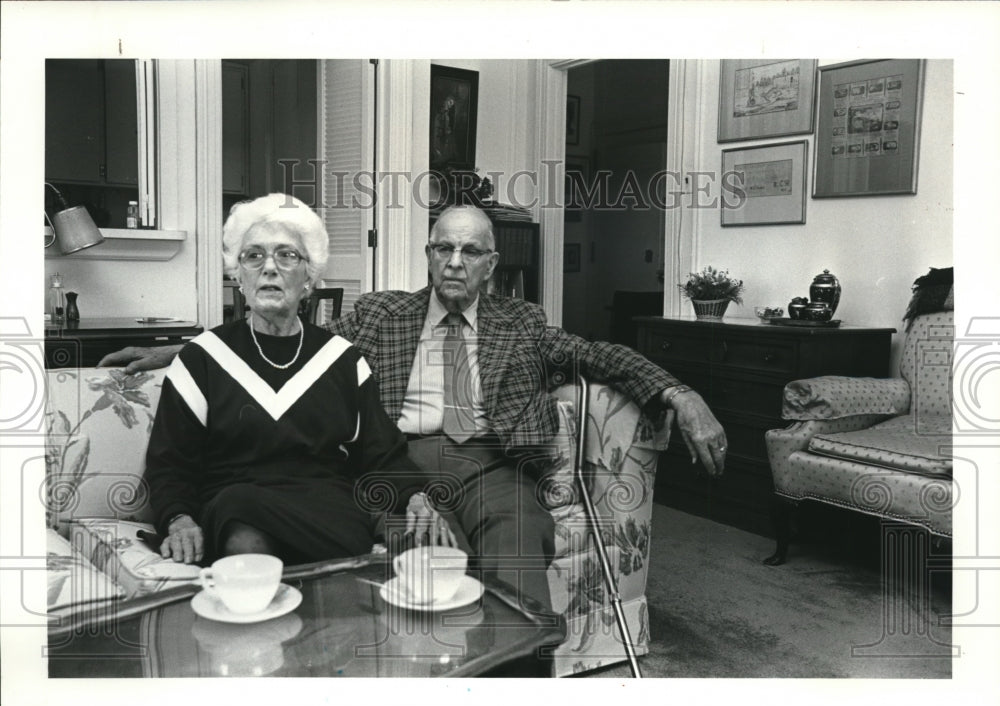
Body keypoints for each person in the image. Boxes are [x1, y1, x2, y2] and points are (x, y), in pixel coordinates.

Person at [103, 205, 728, 609]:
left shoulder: (523, 322)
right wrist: (176, 351)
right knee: (421, 553)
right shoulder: (381, 314)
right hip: (394, 461)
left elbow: (597, 355)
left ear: (491, 264)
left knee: (517, 539)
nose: (454, 262)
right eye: (442, 249)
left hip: (489, 461)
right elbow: (282, 335)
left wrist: (678, 391)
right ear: (428, 255)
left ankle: (518, 681)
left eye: (470, 252)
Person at [144, 194, 454, 566]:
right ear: (238, 275)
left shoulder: (342, 360)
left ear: (309, 277)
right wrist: (178, 518)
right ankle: (348, 571)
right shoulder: (201, 359)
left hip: (326, 506)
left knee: (436, 546)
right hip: (235, 507)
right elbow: (170, 464)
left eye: (286, 255)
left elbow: (382, 453)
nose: (269, 268)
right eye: (254, 256)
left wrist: (416, 497)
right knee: (241, 518)